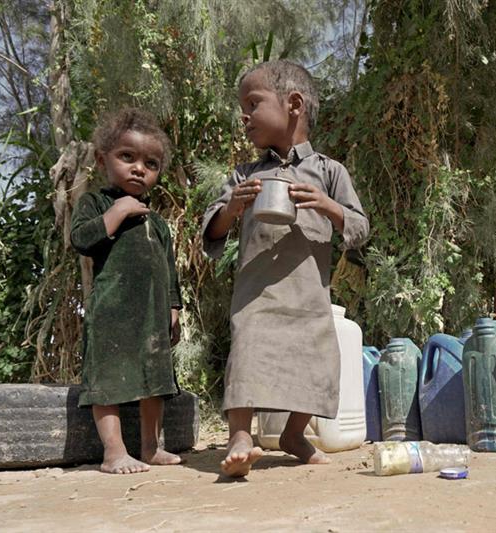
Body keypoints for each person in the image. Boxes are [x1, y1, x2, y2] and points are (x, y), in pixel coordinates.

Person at [201, 60, 369, 478]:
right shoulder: (244, 174)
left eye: (253, 104)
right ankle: (240, 437)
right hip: (256, 293)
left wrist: (328, 206)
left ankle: (295, 435)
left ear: (294, 104)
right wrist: (232, 207)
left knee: (318, 359)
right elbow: (212, 228)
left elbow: (360, 226)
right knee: (248, 351)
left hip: (308, 294)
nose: (244, 117)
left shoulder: (329, 172)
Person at [70, 108, 183, 474]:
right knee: (108, 378)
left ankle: (151, 447)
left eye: (150, 163)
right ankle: (114, 452)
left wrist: (174, 308)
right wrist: (117, 212)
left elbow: (169, 270)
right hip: (111, 313)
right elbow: (81, 239)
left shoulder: (157, 222)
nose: (139, 168)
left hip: (152, 316)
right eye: (127, 157)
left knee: (155, 380)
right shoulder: (96, 203)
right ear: (103, 159)